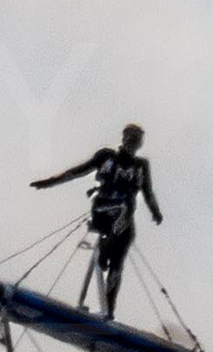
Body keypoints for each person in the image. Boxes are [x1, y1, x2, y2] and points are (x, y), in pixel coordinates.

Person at [31, 123, 164, 316]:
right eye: (130, 137)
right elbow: (76, 172)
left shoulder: (141, 166)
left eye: (137, 139)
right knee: (123, 209)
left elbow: (147, 192)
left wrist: (155, 212)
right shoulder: (106, 157)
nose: (132, 142)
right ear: (123, 138)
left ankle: (109, 309)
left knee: (118, 263)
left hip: (123, 222)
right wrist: (49, 182)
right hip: (104, 210)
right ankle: (104, 251)